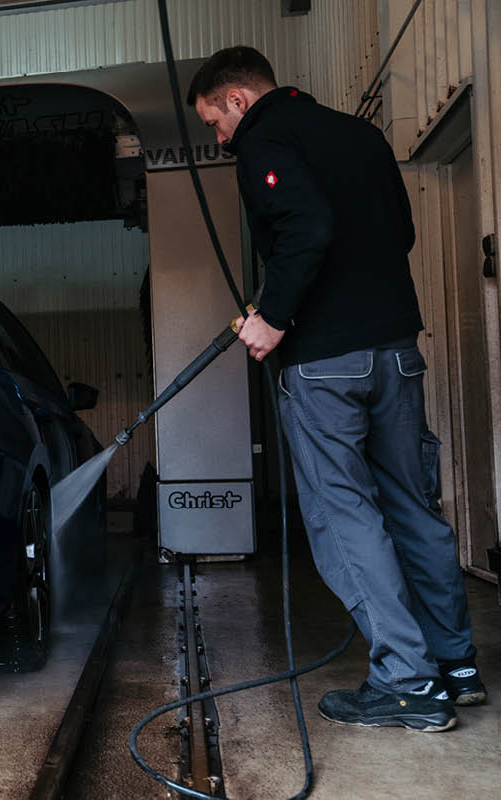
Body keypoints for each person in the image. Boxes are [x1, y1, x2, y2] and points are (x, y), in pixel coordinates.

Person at [188, 46, 484, 732]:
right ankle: (456, 668)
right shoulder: (361, 134)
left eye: (215, 123)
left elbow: (307, 227)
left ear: (237, 99)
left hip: (326, 362)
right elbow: (400, 233)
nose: (221, 138)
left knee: (342, 515)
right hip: (396, 352)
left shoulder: (265, 137)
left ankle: (408, 684)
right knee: (412, 506)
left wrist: (272, 319)